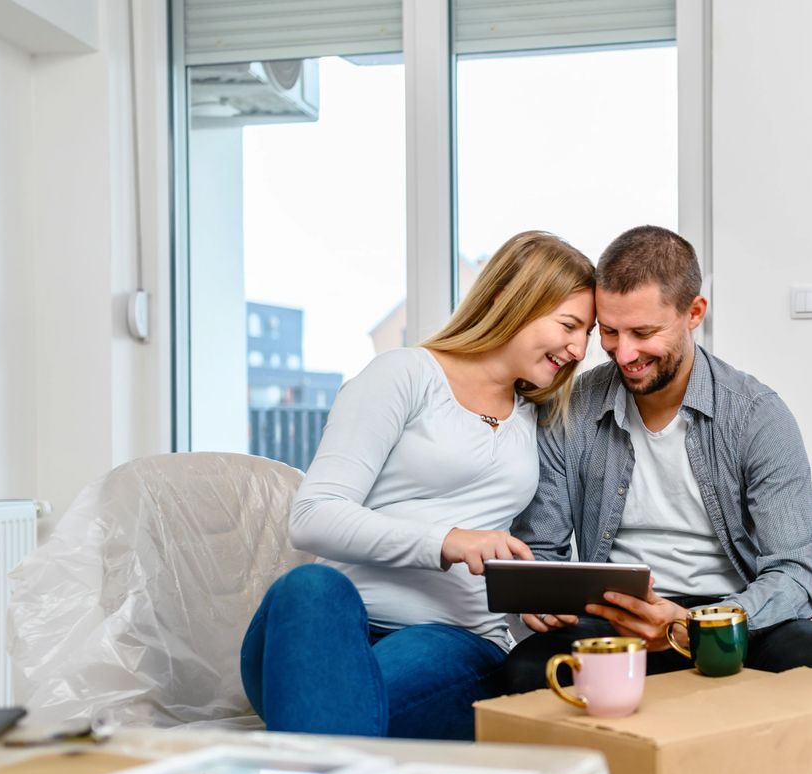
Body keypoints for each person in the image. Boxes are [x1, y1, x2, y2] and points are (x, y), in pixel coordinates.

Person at [240, 231, 596, 739]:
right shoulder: (404, 375)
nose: (579, 348)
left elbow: (516, 547)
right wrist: (448, 541)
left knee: (346, 705)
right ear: (508, 299)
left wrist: (531, 597)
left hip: (453, 637)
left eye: (588, 334)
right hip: (326, 631)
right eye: (569, 325)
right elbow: (313, 515)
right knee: (311, 587)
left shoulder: (538, 421)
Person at [506, 224, 812, 685]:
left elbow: (794, 574)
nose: (624, 352)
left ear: (694, 313)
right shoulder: (572, 410)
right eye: (609, 331)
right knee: (526, 669)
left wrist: (691, 626)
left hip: (733, 615)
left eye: (643, 332)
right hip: (619, 622)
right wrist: (543, 597)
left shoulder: (757, 416)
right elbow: (543, 549)